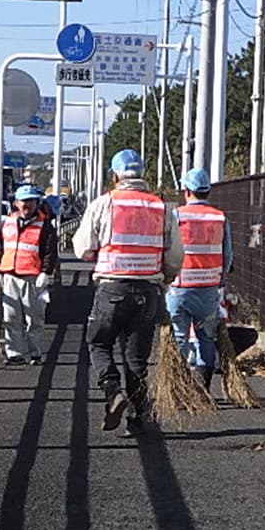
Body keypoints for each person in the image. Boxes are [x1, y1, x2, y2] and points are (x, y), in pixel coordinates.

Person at [72, 149, 183, 436]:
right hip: (148, 289)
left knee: (99, 343)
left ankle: (113, 391)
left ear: (115, 176)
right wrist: (166, 278)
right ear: (142, 175)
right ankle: (136, 419)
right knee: (136, 360)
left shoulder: (104, 203)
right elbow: (174, 256)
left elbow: (83, 248)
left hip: (112, 287)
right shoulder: (161, 207)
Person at [165, 167, 232, 389]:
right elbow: (227, 254)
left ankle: (178, 388)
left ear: (187, 191)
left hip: (180, 286)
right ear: (208, 191)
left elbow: (168, 249)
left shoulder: (177, 215)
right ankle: (203, 388)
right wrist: (220, 279)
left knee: (179, 337)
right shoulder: (219, 217)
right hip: (209, 288)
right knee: (206, 336)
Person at [0, 183, 58, 366]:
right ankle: (14, 354)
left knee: (34, 318)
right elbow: (0, 249)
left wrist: (46, 272)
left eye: (30, 201)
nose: (26, 205)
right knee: (11, 318)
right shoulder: (7, 223)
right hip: (10, 276)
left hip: (33, 278)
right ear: (16, 203)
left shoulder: (44, 225)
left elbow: (50, 252)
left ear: (37, 203)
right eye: (23, 201)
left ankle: (35, 353)